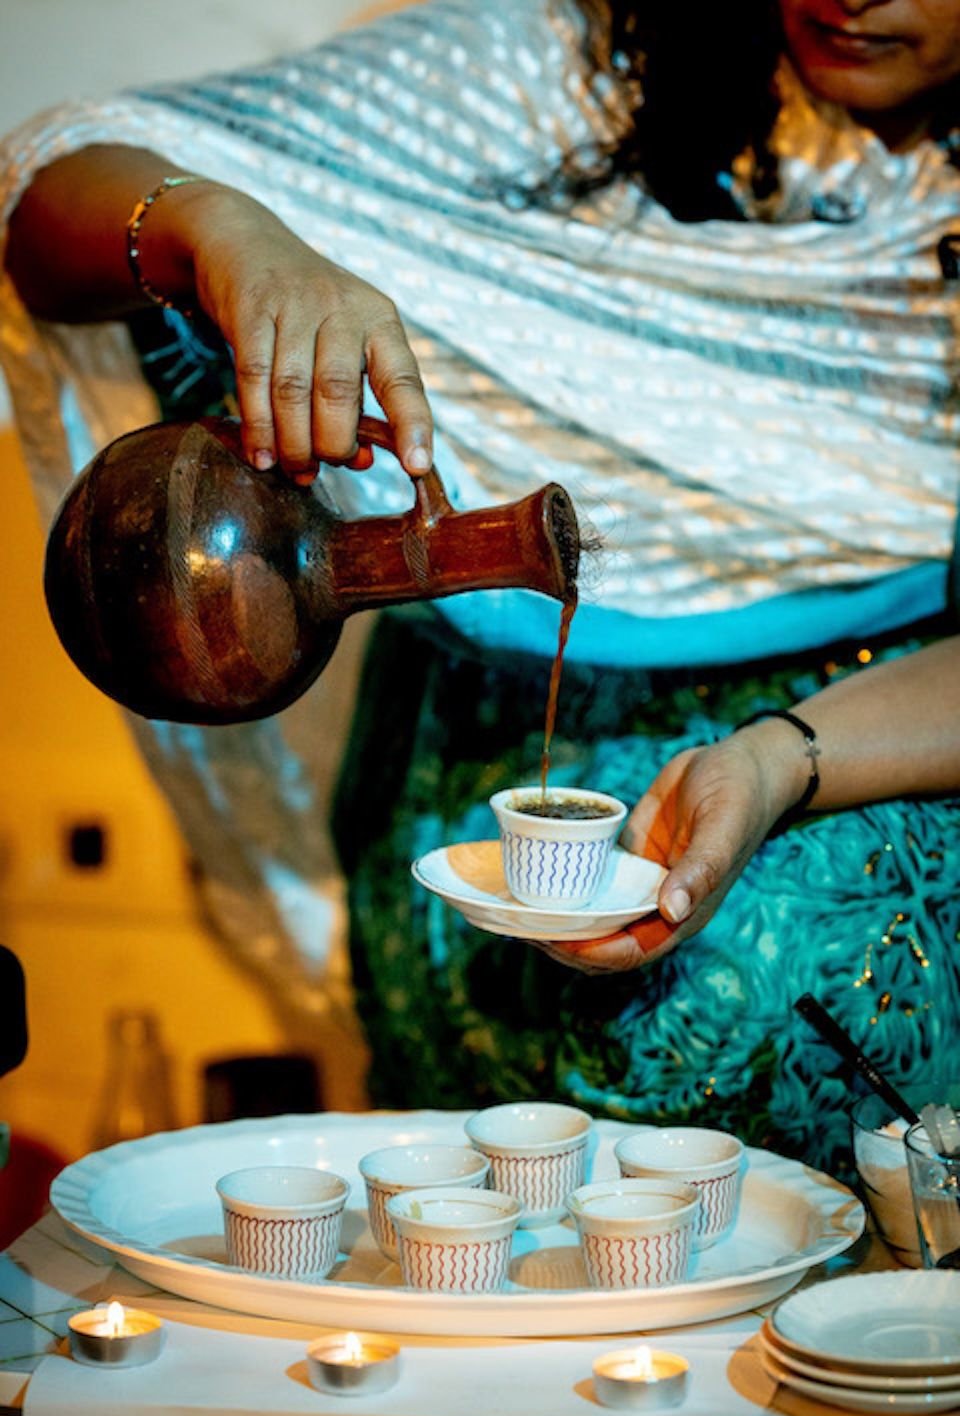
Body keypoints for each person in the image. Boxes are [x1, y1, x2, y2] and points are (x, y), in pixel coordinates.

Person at [2, 0, 959, 1175]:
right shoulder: (571, 67)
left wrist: (778, 762)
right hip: (458, 850)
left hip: (855, 824)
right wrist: (220, 227)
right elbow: (46, 205)